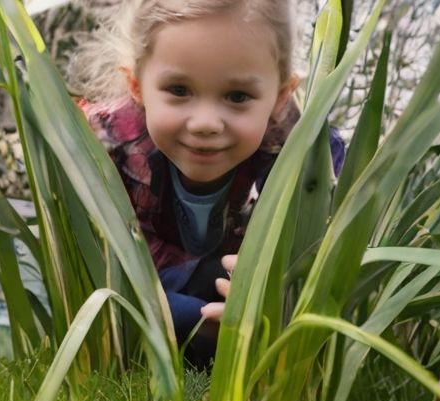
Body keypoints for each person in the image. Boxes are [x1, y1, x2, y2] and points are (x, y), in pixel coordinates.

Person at [71, 0, 344, 367]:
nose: (205, 122)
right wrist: (195, 318)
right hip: (146, 290)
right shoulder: (105, 145)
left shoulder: (298, 148)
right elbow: (100, 273)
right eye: (179, 90)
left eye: (237, 97)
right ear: (136, 84)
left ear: (279, 96)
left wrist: (265, 284)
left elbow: (318, 245)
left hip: (229, 281)